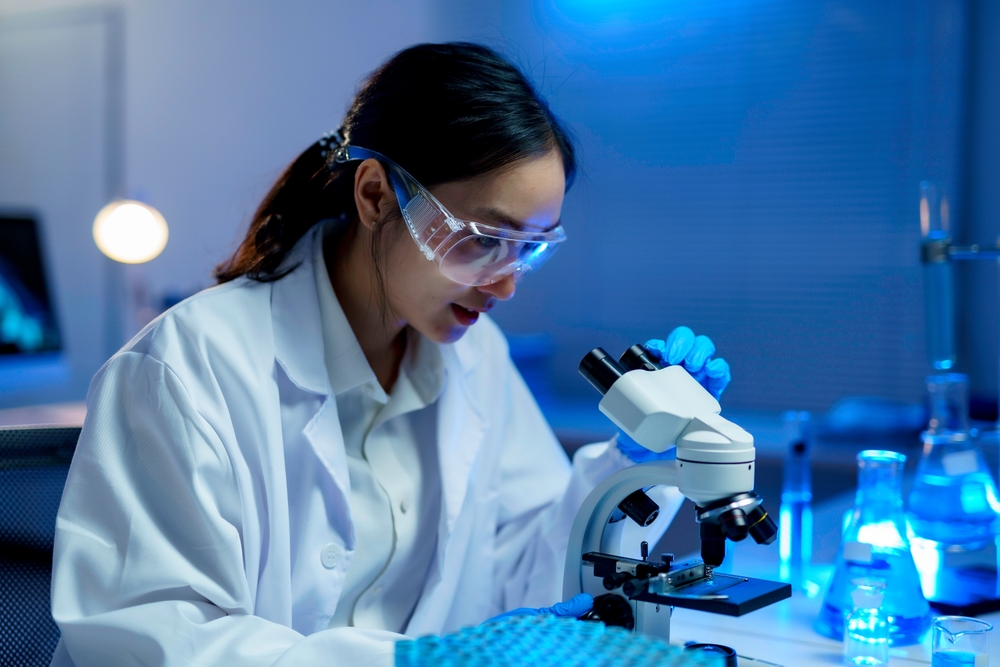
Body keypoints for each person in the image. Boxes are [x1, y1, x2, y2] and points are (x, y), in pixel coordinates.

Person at [49, 43, 731, 666]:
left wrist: (634, 466)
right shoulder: (187, 368)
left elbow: (529, 572)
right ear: (375, 194)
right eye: (482, 239)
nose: (505, 284)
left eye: (530, 248)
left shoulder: (477, 357)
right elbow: (153, 641)